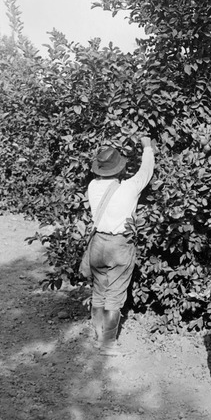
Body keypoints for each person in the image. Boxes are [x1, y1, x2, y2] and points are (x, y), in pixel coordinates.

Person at [87, 136, 155, 355]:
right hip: (119, 244)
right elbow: (146, 171)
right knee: (114, 295)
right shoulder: (129, 188)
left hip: (97, 243)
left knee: (99, 290)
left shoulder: (92, 186)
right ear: (119, 168)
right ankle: (107, 343)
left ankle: (98, 335)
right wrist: (147, 147)